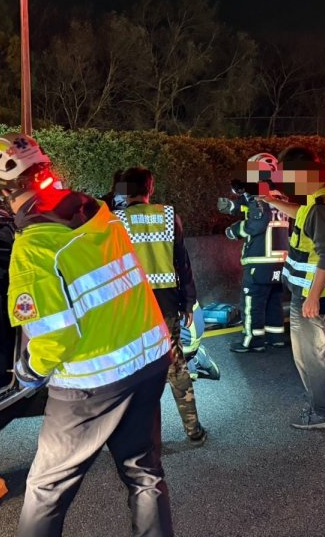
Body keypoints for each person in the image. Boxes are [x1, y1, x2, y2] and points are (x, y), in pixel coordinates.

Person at [0, 134, 174, 537]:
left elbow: (54, 338)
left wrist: (29, 372)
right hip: (149, 359)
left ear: (1, 188)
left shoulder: (33, 249)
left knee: (46, 490)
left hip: (91, 383)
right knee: (144, 474)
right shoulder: (96, 212)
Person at [261, 147, 325, 430]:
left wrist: (312, 297)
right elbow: (303, 214)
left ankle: (322, 413)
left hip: (315, 296)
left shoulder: (320, 207)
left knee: (310, 357)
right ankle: (321, 405)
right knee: (321, 352)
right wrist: (271, 201)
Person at [114, 167, 207, 446]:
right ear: (150, 188)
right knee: (175, 365)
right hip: (166, 304)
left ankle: (139, 438)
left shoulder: (115, 220)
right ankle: (193, 430)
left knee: (134, 370)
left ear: (123, 191)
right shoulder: (168, 216)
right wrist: (188, 302)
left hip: (130, 306)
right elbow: (183, 263)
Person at [217, 153, 290, 353]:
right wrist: (233, 207)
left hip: (259, 260)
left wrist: (233, 230)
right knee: (273, 300)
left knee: (252, 301)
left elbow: (257, 222)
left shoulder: (260, 196)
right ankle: (276, 337)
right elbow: (256, 209)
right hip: (280, 261)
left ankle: (252, 340)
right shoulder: (281, 197)